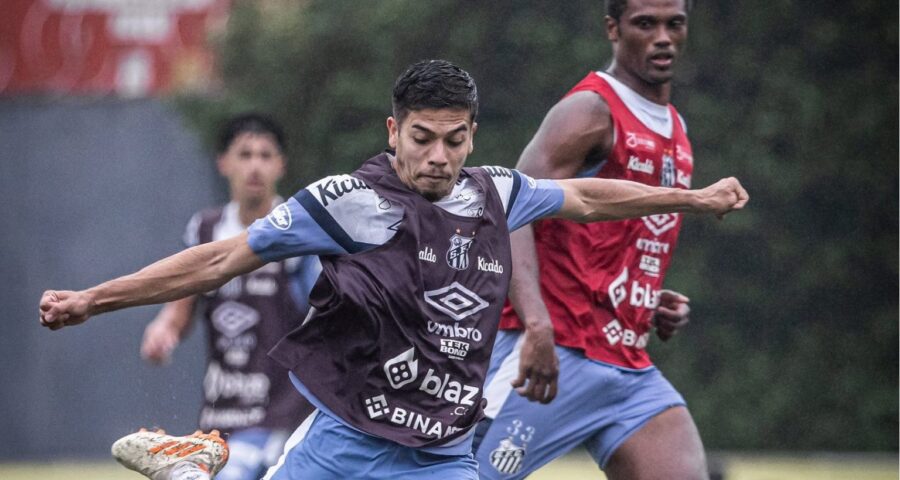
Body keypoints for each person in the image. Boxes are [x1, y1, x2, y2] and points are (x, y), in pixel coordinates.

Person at [39, 59, 747, 480]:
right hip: (345, 440)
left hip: (441, 455)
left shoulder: (493, 193)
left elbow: (589, 196)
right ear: (393, 132)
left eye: (454, 139)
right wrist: (94, 300)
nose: (438, 157)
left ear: (473, 133)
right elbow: (220, 257)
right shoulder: (350, 204)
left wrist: (692, 196)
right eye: (422, 139)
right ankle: (191, 466)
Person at [473, 1, 711, 479]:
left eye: (674, 24)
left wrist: (644, 300)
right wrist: (537, 325)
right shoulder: (590, 110)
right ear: (613, 28)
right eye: (646, 24)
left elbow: (607, 240)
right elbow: (508, 206)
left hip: (626, 367)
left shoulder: (677, 129)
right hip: (550, 354)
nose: (663, 37)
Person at [139, 113, 319, 480]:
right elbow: (180, 309)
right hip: (221, 413)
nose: (255, 165)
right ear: (224, 162)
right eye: (245, 154)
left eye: (266, 155)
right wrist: (164, 330)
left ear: (281, 165)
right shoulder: (205, 229)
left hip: (284, 411)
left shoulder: (300, 230)